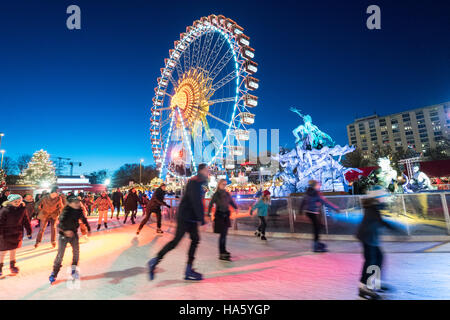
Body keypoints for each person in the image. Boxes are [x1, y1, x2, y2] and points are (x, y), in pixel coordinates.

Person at [148, 163, 209, 281]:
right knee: (176, 242)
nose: (208, 173)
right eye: (207, 170)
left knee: (194, 240)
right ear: (201, 171)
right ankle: (155, 261)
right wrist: (202, 220)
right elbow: (195, 201)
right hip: (185, 217)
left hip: (190, 217)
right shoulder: (194, 182)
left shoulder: (198, 183)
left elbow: (197, 202)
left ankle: (188, 269)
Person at [356, 186, 403, 299]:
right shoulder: (372, 207)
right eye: (382, 196)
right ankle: (363, 287)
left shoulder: (373, 206)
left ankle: (375, 283)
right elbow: (381, 221)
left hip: (371, 236)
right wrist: (397, 230)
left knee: (379, 258)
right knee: (371, 261)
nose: (384, 198)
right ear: (376, 197)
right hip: (367, 237)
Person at [49, 195, 91, 284]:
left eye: (78, 203)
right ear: (70, 204)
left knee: (76, 252)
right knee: (60, 255)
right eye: (75, 203)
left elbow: (84, 219)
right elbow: (60, 224)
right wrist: (65, 231)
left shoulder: (79, 211)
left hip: (74, 235)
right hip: (63, 236)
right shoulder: (65, 212)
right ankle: (54, 273)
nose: (77, 204)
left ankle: (74, 269)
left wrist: (88, 228)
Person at [299, 180, 340, 252]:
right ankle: (316, 245)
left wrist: (300, 210)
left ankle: (317, 243)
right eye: (318, 185)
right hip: (313, 213)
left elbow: (303, 201)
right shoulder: (317, 194)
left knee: (318, 226)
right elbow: (325, 202)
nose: (319, 186)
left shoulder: (307, 192)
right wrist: (335, 208)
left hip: (308, 212)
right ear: (315, 186)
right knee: (317, 228)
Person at [0, 194, 32, 277]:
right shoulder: (5, 210)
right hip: (5, 234)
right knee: (2, 252)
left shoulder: (22, 210)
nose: (17, 203)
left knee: (13, 251)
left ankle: (12, 266)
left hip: (16, 233)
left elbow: (26, 220)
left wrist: (29, 230)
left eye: (19, 201)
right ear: (10, 202)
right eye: (15, 201)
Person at [208, 179, 237, 261]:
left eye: (225, 184)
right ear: (219, 184)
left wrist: (236, 207)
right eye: (223, 184)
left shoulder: (227, 193)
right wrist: (209, 213)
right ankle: (221, 252)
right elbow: (211, 204)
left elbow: (231, 201)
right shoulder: (216, 194)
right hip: (220, 216)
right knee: (222, 235)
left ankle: (223, 250)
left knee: (224, 234)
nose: (224, 186)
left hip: (226, 215)